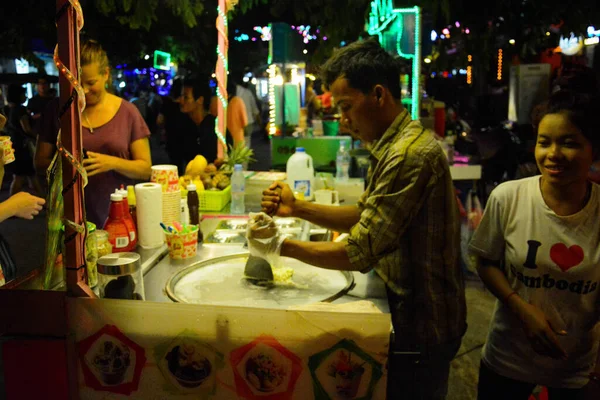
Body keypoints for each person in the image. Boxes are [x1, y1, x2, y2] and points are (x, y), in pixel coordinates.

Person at [256, 39, 466, 399]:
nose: (343, 120)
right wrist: (299, 208)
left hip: (422, 328)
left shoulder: (407, 156)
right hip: (413, 319)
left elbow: (360, 251)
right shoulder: (394, 144)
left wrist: (278, 246)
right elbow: (368, 216)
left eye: (346, 107)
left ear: (379, 95)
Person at [470, 89, 600, 400]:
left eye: (568, 143)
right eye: (544, 142)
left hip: (575, 367)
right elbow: (486, 262)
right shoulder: (508, 197)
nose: (552, 154)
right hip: (506, 359)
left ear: (593, 149)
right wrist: (521, 308)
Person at [35, 40, 152, 226]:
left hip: (120, 220)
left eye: (91, 82)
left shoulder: (128, 112)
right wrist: (68, 166)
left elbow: (145, 170)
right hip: (69, 221)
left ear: (106, 74)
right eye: (77, 84)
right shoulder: (56, 110)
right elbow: (40, 162)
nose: (84, 91)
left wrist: (111, 162)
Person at [2, 84, 42, 196]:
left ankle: (43, 200)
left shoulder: (8, 109)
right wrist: (37, 137)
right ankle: (44, 201)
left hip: (14, 146)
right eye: (23, 94)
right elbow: (27, 128)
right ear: (18, 96)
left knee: (24, 175)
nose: (25, 96)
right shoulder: (20, 110)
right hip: (22, 148)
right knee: (23, 176)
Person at [179, 77, 217, 167]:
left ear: (200, 100)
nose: (181, 101)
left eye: (186, 97)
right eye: (181, 96)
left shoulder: (213, 128)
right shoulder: (187, 124)